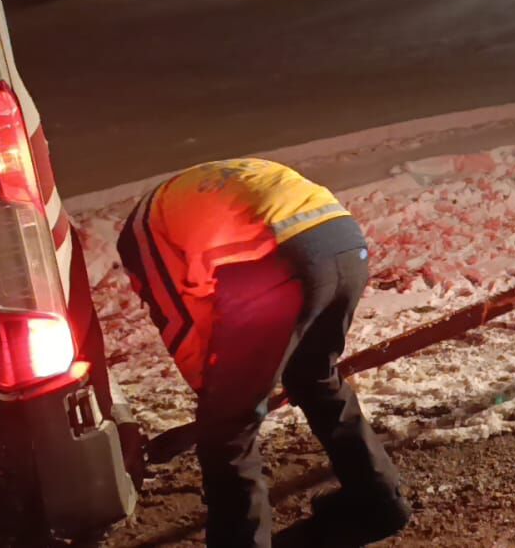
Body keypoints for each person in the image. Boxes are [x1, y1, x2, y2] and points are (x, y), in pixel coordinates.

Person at [116, 158, 409, 547]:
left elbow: (181, 321)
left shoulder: (140, 235)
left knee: (228, 430)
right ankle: (377, 503)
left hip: (274, 259)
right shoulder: (196, 197)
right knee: (315, 376)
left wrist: (218, 402)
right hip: (343, 242)